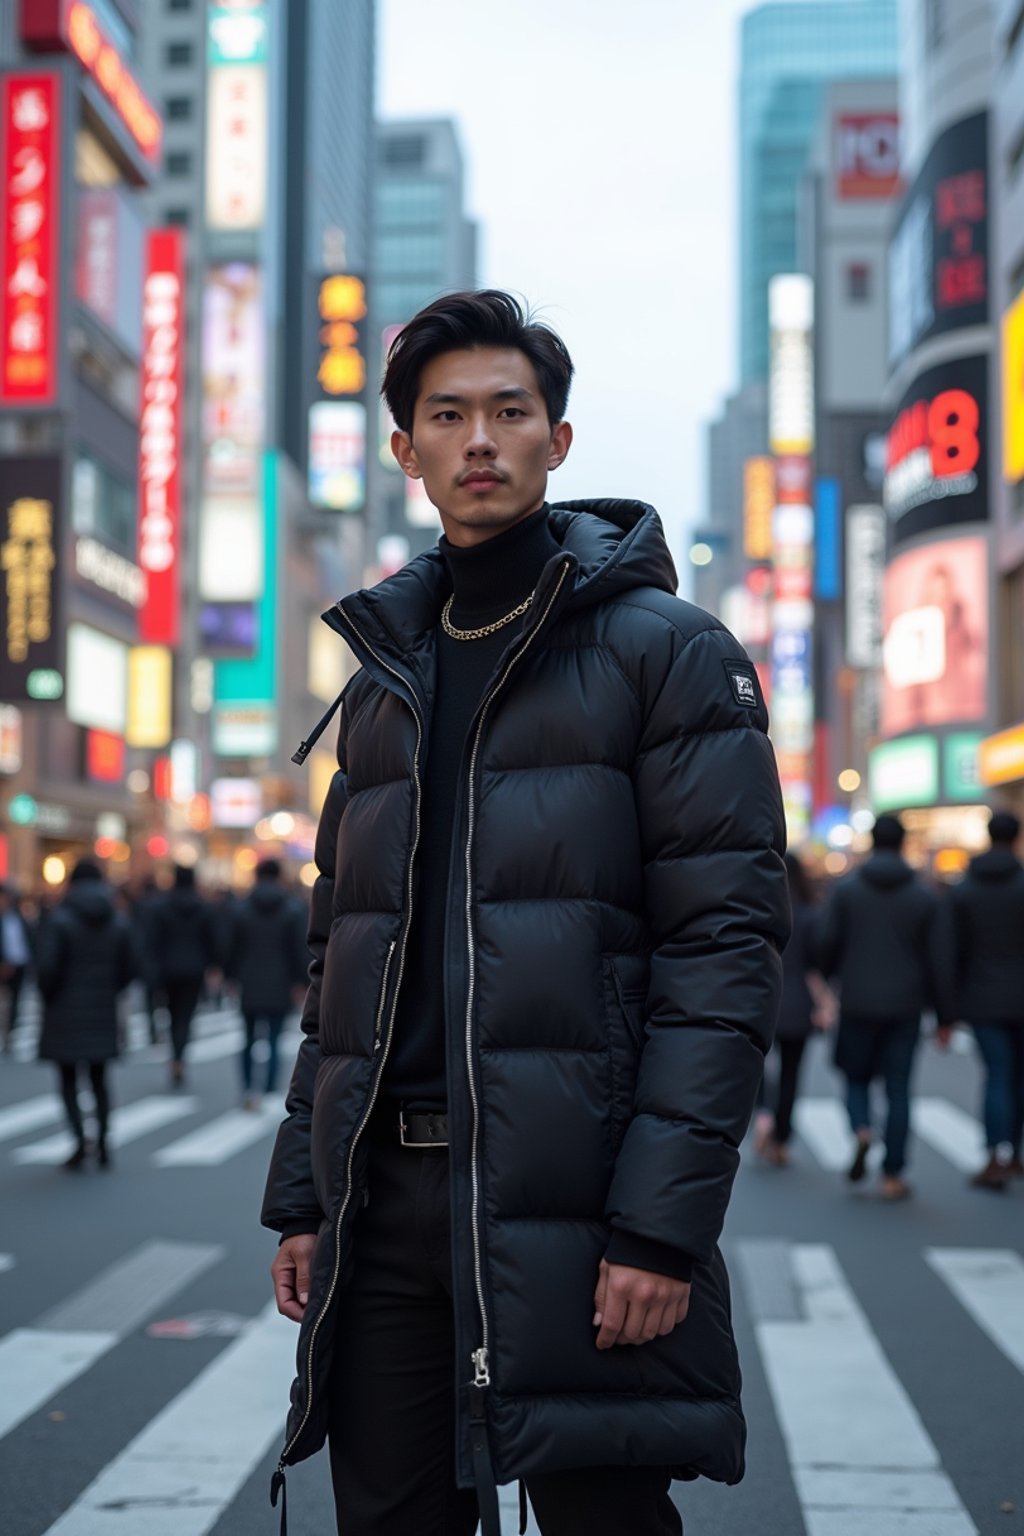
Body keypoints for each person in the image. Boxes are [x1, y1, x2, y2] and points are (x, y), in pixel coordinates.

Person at [261, 290, 789, 1536]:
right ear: (406, 452)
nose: (480, 439)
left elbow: (722, 952)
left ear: (557, 440)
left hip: (576, 1196)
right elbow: (341, 955)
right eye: (447, 416)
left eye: (511, 411)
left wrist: (659, 1232)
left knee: (601, 1516)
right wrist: (304, 1198)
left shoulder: (667, 651)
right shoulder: (384, 678)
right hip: (384, 1205)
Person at [816, 814, 949, 1201]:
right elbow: (938, 959)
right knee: (898, 1088)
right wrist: (945, 1014)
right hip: (906, 1003)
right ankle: (892, 1174)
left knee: (855, 1075)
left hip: (857, 998)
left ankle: (861, 1129)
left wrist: (831, 977)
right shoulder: (923, 896)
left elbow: (826, 941)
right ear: (904, 843)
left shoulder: (847, 890)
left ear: (872, 841)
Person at [35, 858, 137, 1169]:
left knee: (68, 1078)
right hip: (102, 1006)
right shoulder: (116, 919)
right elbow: (130, 966)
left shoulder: (60, 919)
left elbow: (47, 968)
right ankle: (104, 1141)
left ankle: (80, 1141)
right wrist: (111, 989)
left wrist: (50, 996)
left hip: (64, 1009)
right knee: (99, 1077)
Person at [944, 810, 1024, 1190]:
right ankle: (1016, 1154)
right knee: (1019, 1076)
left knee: (998, 1074)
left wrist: (948, 1005)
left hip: (982, 996)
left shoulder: (966, 888)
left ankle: (994, 1155)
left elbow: (952, 950)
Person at [754, 852, 834, 1167]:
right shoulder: (810, 914)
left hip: (761, 1000)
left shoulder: (759, 912)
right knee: (791, 1073)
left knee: (756, 1065)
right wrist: (825, 1003)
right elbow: (819, 965)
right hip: (799, 1003)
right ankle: (781, 1140)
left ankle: (762, 1113)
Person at [227, 859, 307, 1110]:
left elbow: (231, 947)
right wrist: (301, 981)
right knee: (274, 1037)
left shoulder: (242, 908)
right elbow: (298, 949)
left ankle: (249, 1085)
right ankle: (270, 1088)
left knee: (248, 1037)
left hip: (249, 980)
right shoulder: (292, 909)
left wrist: (230, 977)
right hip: (280, 980)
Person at [150, 865, 219, 1088]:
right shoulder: (203, 907)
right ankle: (180, 1057)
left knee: (171, 1015)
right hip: (194, 969)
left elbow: (154, 940)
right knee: (186, 1017)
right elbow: (212, 940)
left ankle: (175, 1057)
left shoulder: (162, 906)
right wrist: (213, 965)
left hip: (168, 969)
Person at [0, 883, 34, 1052]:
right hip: (3, 966)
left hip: (19, 965)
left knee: (15, 1003)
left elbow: (28, 939)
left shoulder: (18, 917)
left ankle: (9, 1035)